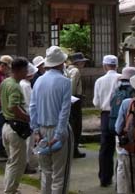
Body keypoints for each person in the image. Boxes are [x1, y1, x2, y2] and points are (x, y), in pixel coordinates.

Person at [29, 46, 73, 194]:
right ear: (61, 63)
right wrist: (59, 134)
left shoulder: (38, 81)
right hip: (57, 129)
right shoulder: (65, 82)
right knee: (59, 175)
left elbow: (32, 107)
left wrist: (35, 131)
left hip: (40, 130)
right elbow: (64, 111)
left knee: (45, 172)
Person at [1, 57, 31, 194]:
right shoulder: (15, 86)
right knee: (18, 163)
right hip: (15, 128)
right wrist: (28, 118)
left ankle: (10, 188)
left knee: (12, 161)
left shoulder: (6, 82)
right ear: (19, 70)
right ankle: (10, 190)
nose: (27, 72)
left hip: (6, 126)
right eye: (25, 70)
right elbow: (14, 107)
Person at [93, 55, 121, 187]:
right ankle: (121, 179)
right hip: (120, 114)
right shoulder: (122, 79)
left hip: (105, 114)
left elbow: (96, 103)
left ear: (104, 66)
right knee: (121, 146)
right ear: (117, 65)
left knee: (105, 148)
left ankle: (105, 178)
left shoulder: (99, 81)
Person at [110, 66, 135, 194]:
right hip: (129, 131)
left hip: (117, 127)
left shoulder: (117, 89)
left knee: (120, 160)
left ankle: (119, 186)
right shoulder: (133, 92)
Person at [67, 52, 89, 158]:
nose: (83, 64)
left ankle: (72, 148)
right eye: (82, 62)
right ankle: (74, 149)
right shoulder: (75, 71)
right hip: (74, 99)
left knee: (72, 124)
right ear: (78, 62)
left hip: (72, 99)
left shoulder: (67, 69)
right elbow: (72, 86)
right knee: (76, 125)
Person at [21, 63, 39, 173]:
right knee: (29, 142)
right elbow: (29, 103)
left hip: (26, 115)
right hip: (28, 116)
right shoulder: (26, 85)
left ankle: (25, 163)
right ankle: (25, 164)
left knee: (27, 142)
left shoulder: (23, 84)